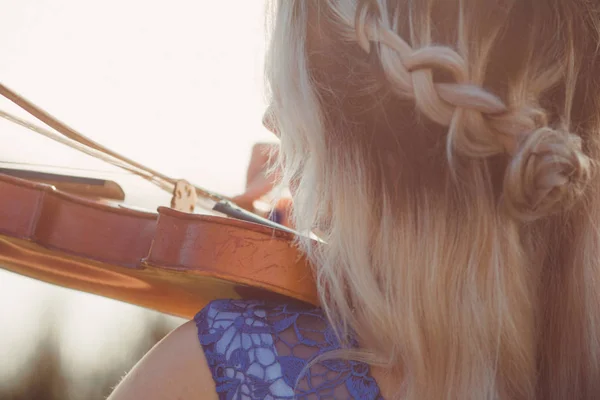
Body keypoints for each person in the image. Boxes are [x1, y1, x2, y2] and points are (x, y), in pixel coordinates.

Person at [107, 0, 600, 399]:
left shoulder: (220, 369)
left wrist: (247, 337)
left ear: (371, 152)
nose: (272, 123)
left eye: (294, 96)